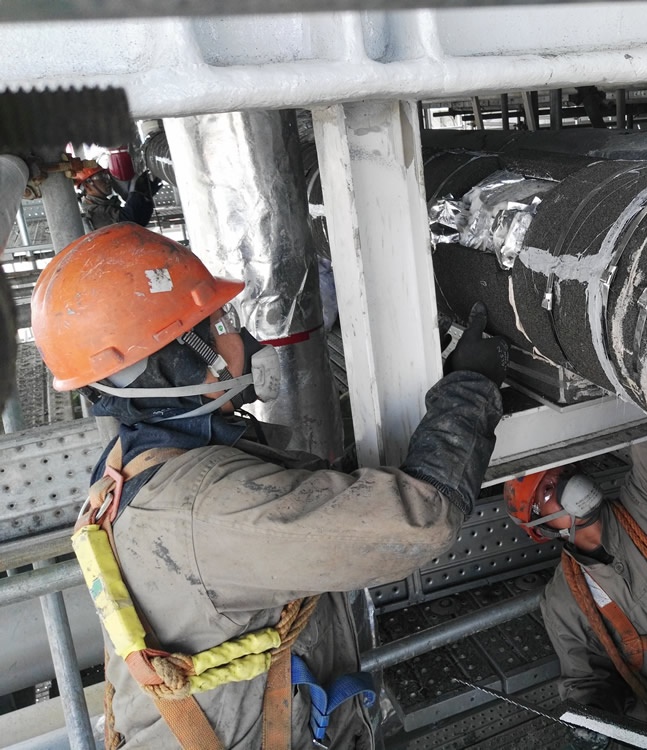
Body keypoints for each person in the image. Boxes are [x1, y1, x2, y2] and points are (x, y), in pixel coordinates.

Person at [30, 223, 509, 750]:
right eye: (218, 325)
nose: (242, 339)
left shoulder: (131, 466)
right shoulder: (207, 509)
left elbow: (297, 501)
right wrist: (472, 388)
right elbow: (421, 520)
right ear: (180, 360)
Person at [506, 435, 647, 748]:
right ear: (541, 527)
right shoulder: (564, 601)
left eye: (564, 471)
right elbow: (586, 679)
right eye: (549, 488)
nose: (567, 482)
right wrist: (594, 713)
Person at [73, 165, 161, 231]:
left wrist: (146, 197)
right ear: (87, 186)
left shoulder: (104, 205)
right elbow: (127, 222)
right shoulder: (93, 213)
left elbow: (140, 222)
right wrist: (138, 194)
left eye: (107, 176)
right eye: (101, 177)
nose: (107, 180)